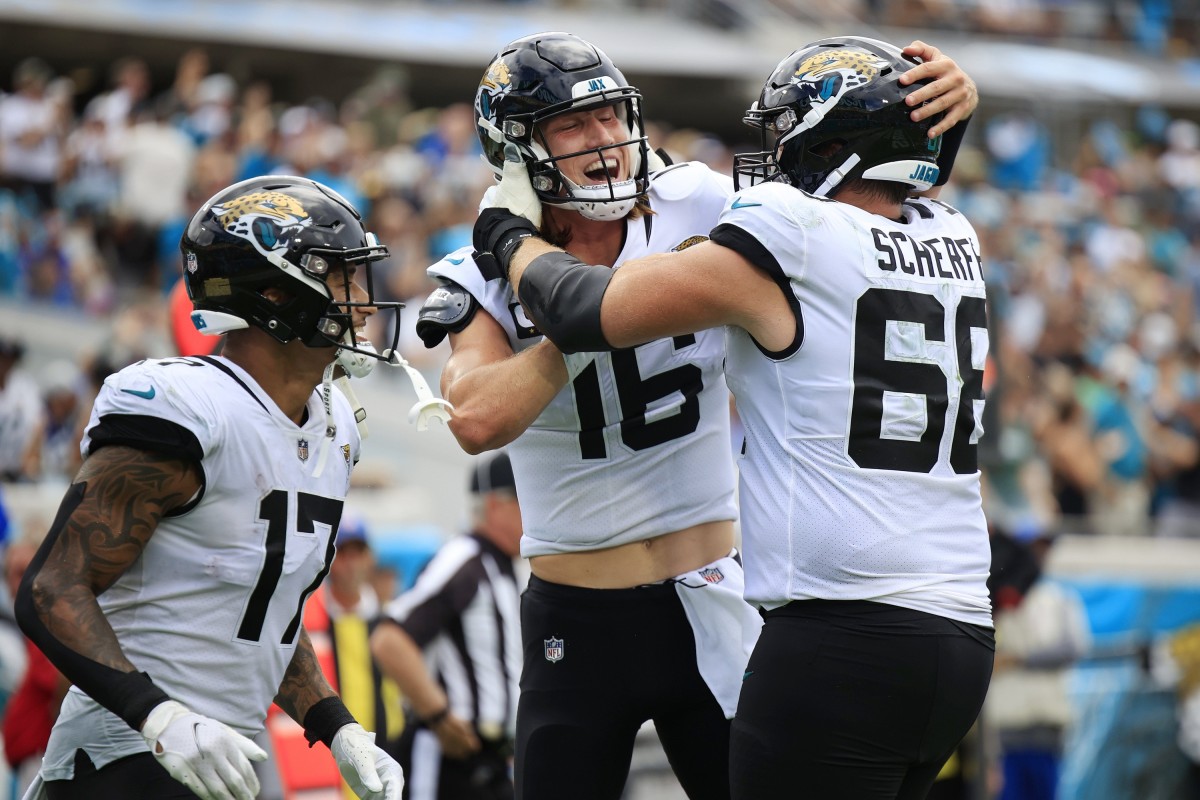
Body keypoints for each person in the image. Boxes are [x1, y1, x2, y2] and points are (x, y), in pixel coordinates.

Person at [417, 31, 978, 800]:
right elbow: (476, 418)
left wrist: (933, 113)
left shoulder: (707, 200)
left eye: (612, 117)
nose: (605, 142)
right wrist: (590, 321)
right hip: (576, 612)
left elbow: (865, 207)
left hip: (714, 588)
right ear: (515, 151)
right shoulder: (479, 266)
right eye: (574, 127)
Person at [15, 174, 407, 800]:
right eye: (338, 276)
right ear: (275, 293)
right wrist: (159, 716)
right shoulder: (187, 407)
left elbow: (260, 607)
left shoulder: (333, 426)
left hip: (225, 763)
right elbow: (52, 587)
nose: (360, 300)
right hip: (124, 758)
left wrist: (336, 727)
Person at [371, 450, 523, 800]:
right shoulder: (465, 559)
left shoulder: (499, 566)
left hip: (490, 762)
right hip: (448, 760)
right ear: (496, 505)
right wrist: (439, 715)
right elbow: (388, 640)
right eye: (524, 501)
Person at [269, 512, 407, 797]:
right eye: (342, 553)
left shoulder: (391, 622)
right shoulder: (309, 622)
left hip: (385, 762)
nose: (351, 564)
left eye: (358, 553)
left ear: (370, 558)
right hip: (321, 773)